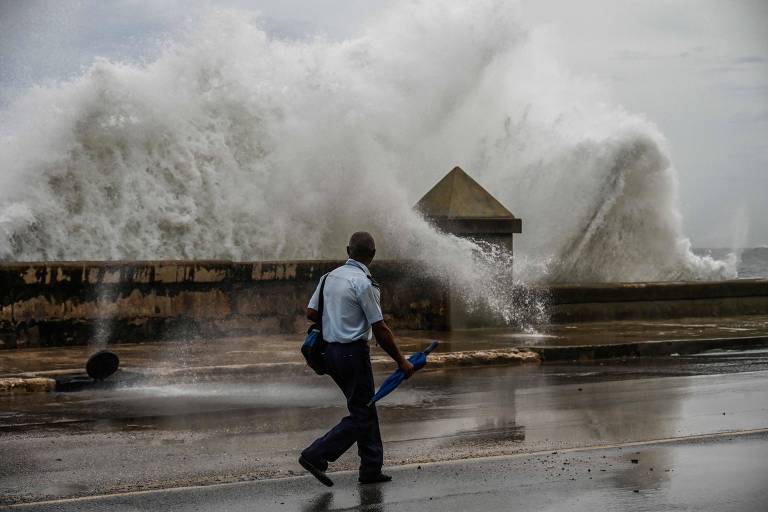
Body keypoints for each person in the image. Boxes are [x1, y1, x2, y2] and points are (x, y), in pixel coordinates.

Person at [299, 231, 415, 487]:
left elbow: (310, 312)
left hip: (329, 354)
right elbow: (381, 329)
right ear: (372, 255)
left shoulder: (329, 277)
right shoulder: (364, 283)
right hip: (353, 354)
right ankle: (315, 455)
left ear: (347, 250)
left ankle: (371, 468)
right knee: (362, 414)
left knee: (365, 407)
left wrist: (336, 317)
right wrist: (402, 361)